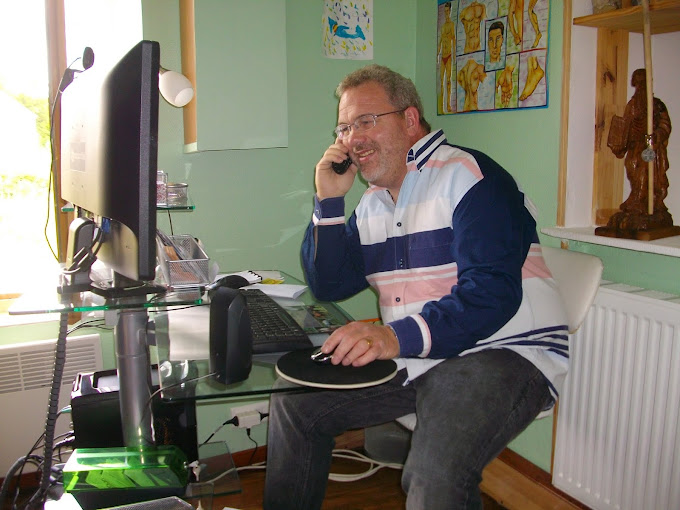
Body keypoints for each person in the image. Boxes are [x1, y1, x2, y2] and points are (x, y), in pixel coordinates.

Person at [263, 65, 568, 510]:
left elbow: (491, 296)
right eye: (345, 127)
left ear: (409, 120)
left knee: (433, 474)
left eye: (366, 122)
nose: (353, 139)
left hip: (504, 351)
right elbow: (329, 283)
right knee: (297, 405)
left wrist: (390, 336)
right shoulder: (371, 205)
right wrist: (329, 201)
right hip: (419, 354)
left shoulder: (470, 176)